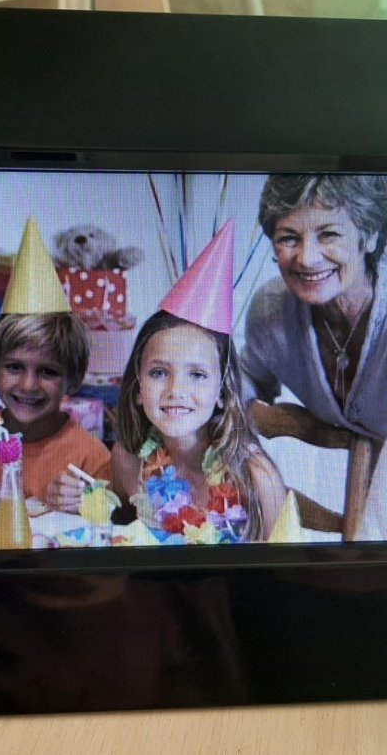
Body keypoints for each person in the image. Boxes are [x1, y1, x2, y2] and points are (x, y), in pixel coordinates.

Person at [240, 174, 387, 541]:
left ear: (369, 235)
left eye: (329, 234)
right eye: (289, 237)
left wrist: (363, 561)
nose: (307, 258)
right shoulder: (271, 310)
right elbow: (241, 381)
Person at [111, 220, 286, 541]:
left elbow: (282, 565)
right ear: (138, 388)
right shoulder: (129, 461)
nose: (176, 390)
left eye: (197, 375)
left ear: (222, 391)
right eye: (159, 373)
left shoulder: (257, 479)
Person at [0, 217, 110, 512]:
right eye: (14, 367)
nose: (28, 385)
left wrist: (88, 503)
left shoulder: (92, 458)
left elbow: (110, 521)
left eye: (48, 372)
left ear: (73, 378)